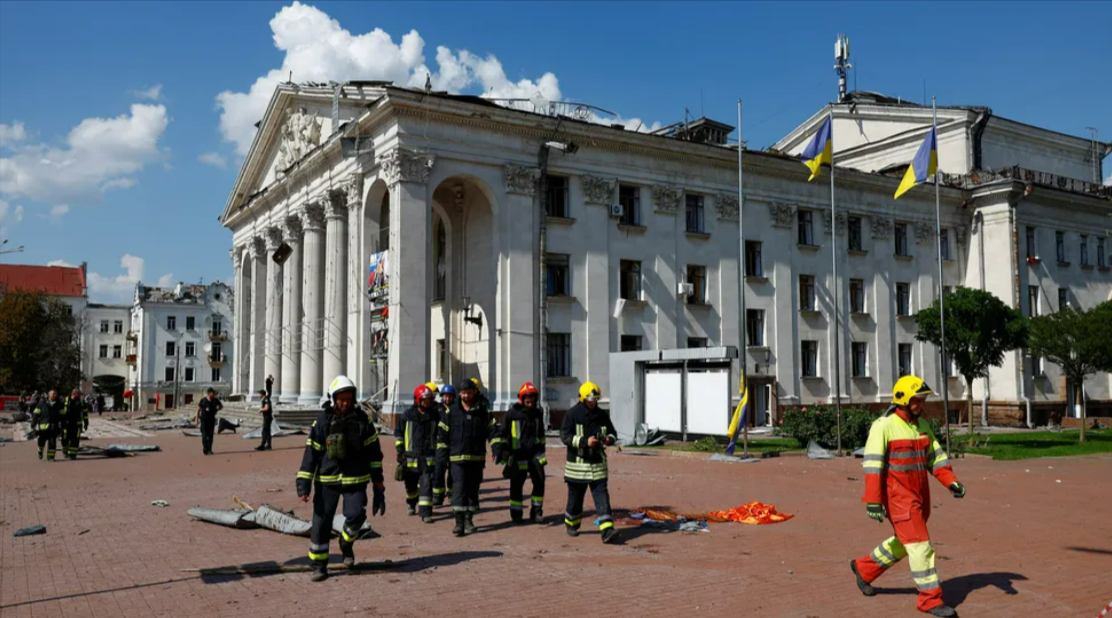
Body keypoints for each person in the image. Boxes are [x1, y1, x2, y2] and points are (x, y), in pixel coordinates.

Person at [850, 376, 965, 618]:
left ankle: (864, 568)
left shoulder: (921, 426)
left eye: (922, 400)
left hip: (920, 498)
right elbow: (872, 467)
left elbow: (937, 459)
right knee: (921, 547)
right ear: (902, 399)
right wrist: (873, 500)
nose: (921, 404)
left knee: (905, 543)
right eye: (917, 400)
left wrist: (951, 482)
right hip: (899, 500)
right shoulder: (884, 426)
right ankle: (930, 599)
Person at [297, 375, 385, 582]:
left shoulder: (364, 421)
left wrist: (378, 485)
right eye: (341, 399)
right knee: (321, 523)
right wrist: (304, 484)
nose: (345, 403)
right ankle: (319, 565)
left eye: (348, 398)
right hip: (327, 480)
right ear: (333, 399)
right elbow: (312, 452)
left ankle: (346, 543)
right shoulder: (322, 421)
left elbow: (374, 454)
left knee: (355, 515)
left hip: (356, 480)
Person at [437, 379, 502, 536]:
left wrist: (497, 448)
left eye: (469, 392)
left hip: (476, 459)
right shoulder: (451, 412)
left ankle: (469, 520)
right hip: (456, 459)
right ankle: (458, 523)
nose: (467, 395)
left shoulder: (483, 411)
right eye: (464, 393)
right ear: (460, 393)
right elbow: (442, 437)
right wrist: (441, 458)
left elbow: (492, 431)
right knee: (458, 490)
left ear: (474, 392)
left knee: (473, 490)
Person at [561, 381, 619, 544]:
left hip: (598, 467)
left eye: (595, 400)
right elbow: (565, 436)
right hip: (577, 468)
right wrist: (584, 442)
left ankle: (607, 531)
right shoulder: (572, 414)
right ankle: (571, 524)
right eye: (590, 400)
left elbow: (613, 433)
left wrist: (609, 440)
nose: (593, 403)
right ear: (583, 399)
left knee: (602, 499)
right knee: (575, 499)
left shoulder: (601, 415)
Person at [499, 382, 547, 524]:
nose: (530, 403)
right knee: (516, 485)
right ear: (521, 399)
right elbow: (503, 433)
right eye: (527, 400)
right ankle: (516, 514)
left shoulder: (538, 413)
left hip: (535, 455)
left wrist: (542, 451)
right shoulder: (512, 414)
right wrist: (505, 450)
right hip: (518, 455)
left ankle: (536, 512)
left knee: (539, 482)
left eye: (532, 400)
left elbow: (541, 434)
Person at [395, 384, 439, 523]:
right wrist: (400, 451)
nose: (428, 403)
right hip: (410, 457)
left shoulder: (434, 416)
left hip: (427, 457)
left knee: (426, 484)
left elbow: (438, 435)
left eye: (429, 400)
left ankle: (426, 513)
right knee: (411, 486)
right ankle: (411, 502)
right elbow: (399, 434)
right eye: (425, 400)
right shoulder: (407, 416)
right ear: (418, 400)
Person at [432, 384, 457, 506]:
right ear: (442, 397)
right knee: (439, 469)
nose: (447, 399)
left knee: (453, 469)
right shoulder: (437, 409)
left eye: (450, 397)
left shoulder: (457, 409)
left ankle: (451, 494)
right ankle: (438, 495)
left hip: (454, 443)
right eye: (445, 396)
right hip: (440, 442)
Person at [34, 390, 63, 461]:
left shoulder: (59, 405)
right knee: (41, 441)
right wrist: (33, 424)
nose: (55, 395)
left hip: (54, 428)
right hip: (43, 428)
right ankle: (40, 451)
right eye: (53, 393)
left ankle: (50, 457)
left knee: (52, 443)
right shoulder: (41, 404)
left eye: (56, 393)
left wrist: (62, 425)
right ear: (49, 395)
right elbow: (35, 414)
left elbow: (62, 416)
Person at [60, 389, 88, 460]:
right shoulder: (65, 400)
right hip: (66, 424)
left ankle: (72, 454)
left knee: (75, 440)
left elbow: (85, 413)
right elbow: (59, 411)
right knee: (64, 439)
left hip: (77, 424)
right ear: (74, 394)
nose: (80, 396)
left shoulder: (81, 402)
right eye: (79, 394)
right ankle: (65, 451)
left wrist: (86, 422)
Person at [195, 387, 223, 455]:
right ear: (210, 393)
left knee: (210, 436)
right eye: (213, 393)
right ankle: (205, 448)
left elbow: (221, 406)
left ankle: (209, 450)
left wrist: (217, 409)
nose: (214, 395)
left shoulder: (215, 400)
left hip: (211, 420)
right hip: (204, 420)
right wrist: (196, 419)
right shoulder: (203, 400)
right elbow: (198, 409)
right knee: (204, 435)